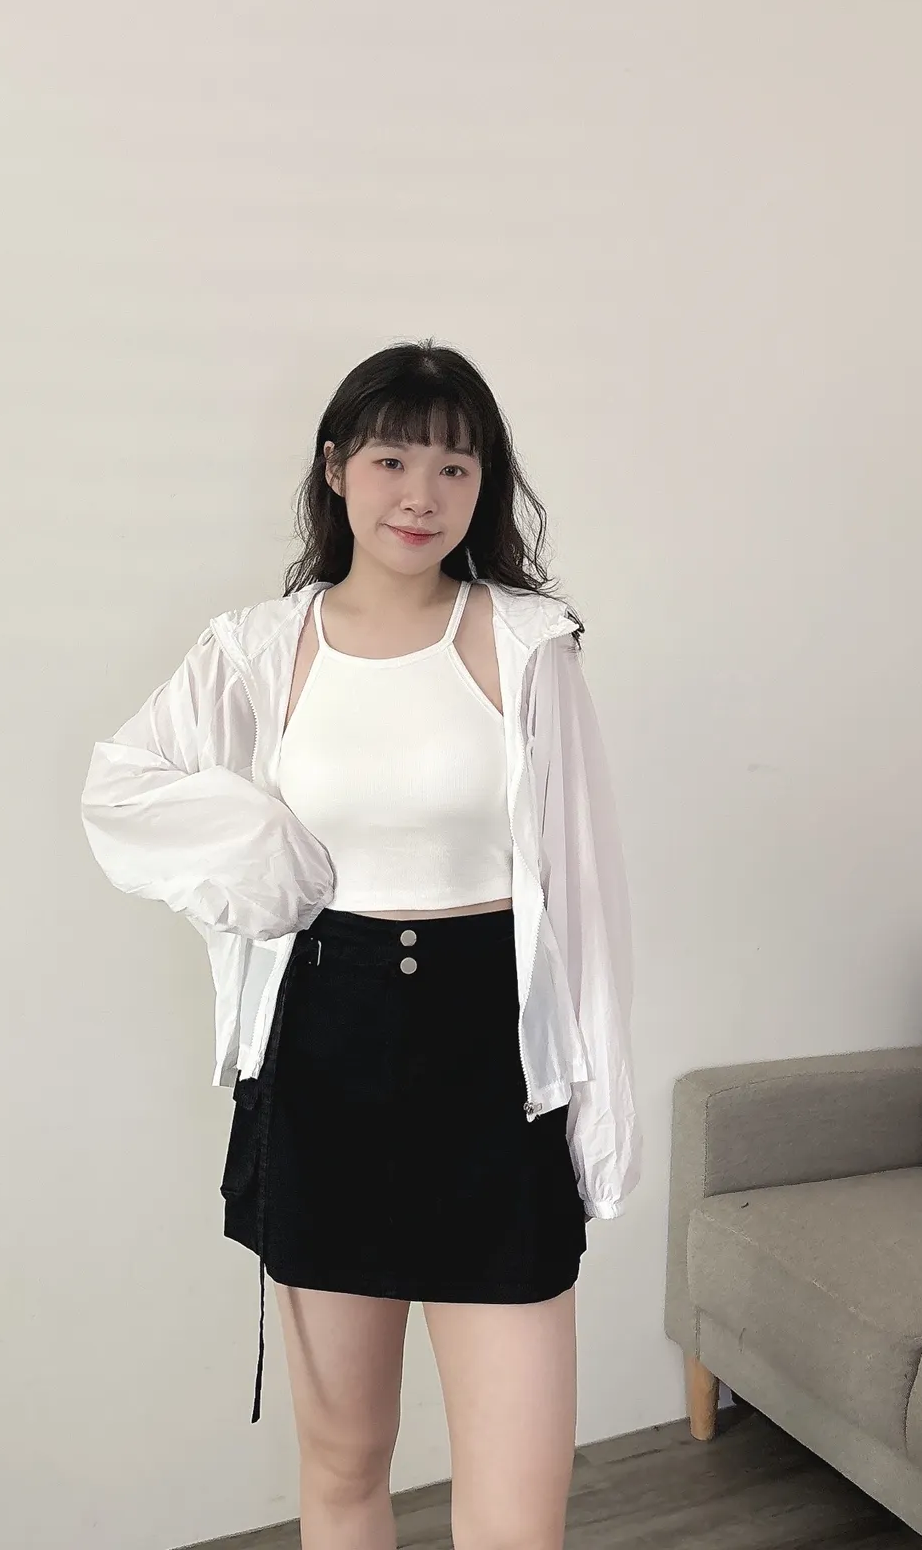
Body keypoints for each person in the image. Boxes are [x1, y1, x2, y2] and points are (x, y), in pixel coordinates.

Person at [80, 341, 640, 1550]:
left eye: (454, 466)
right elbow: (122, 788)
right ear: (336, 469)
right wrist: (262, 855)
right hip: (325, 1059)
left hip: (494, 1067)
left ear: (484, 486)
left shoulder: (529, 644)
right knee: (342, 1463)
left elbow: (587, 895)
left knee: (520, 1507)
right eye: (392, 459)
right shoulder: (257, 647)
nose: (420, 494)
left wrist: (600, 1118)